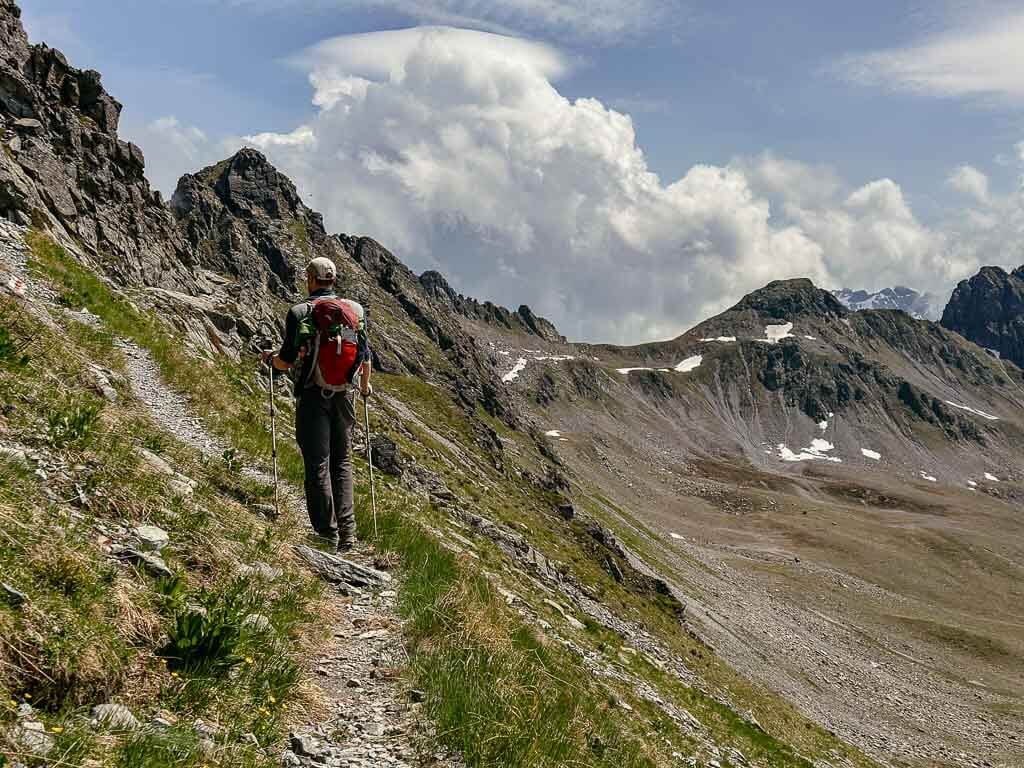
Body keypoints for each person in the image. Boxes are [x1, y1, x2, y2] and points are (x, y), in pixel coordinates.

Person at [263, 257, 371, 552]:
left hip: (313, 395)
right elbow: (365, 353)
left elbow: (285, 361)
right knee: (343, 463)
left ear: (310, 278)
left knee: (318, 464)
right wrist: (364, 387)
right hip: (344, 397)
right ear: (333, 279)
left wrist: (270, 360)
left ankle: (327, 534)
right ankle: (348, 536)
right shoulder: (354, 311)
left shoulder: (300, 312)